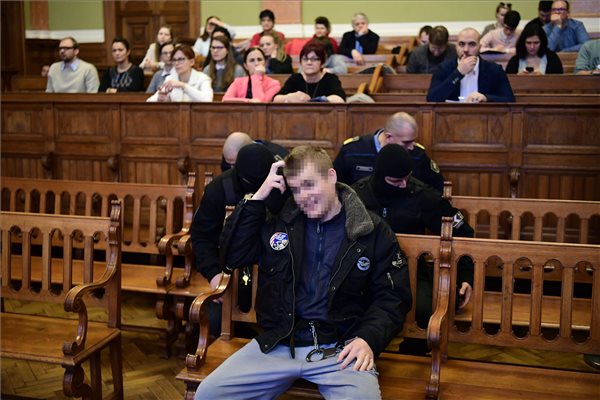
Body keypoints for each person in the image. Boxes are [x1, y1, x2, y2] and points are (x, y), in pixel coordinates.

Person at [194, 145, 412, 399]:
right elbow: (234, 256)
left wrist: (367, 339)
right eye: (296, 189)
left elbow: (393, 296)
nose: (303, 196)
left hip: (340, 349)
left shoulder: (370, 230)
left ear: (331, 176)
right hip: (280, 343)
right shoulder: (282, 223)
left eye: (309, 185)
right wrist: (258, 197)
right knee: (208, 394)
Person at [351, 144, 474, 355]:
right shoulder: (357, 195)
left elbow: (463, 233)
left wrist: (466, 277)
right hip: (366, 271)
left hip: (411, 271)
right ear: (380, 176)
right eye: (395, 181)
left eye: (406, 178)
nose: (403, 185)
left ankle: (410, 355)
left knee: (428, 310)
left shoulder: (421, 194)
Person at [191, 143, 284, 337]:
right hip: (232, 278)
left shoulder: (282, 187)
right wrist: (213, 274)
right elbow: (201, 237)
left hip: (274, 279)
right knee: (211, 320)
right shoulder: (219, 188)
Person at [333, 112, 444, 192]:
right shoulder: (353, 151)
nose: (411, 147)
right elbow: (335, 185)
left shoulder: (418, 155)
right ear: (388, 137)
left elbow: (437, 187)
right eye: (406, 142)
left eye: (413, 141)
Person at [426, 27, 515, 103]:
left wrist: (486, 98)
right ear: (456, 47)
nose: (466, 49)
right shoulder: (443, 69)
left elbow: (509, 99)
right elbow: (431, 99)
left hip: (484, 116)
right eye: (461, 44)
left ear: (479, 47)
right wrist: (458, 73)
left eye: (472, 44)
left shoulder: (494, 70)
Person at [273, 40, 346, 103]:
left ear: (322, 63)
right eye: (305, 59)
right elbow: (276, 99)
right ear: (301, 62)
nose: (309, 62)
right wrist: (289, 98)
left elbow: (340, 99)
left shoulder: (330, 79)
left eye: (314, 59)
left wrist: (320, 100)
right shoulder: (295, 78)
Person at [146, 44, 213, 102]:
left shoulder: (202, 78)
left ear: (191, 62)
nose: (176, 63)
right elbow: (149, 101)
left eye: (181, 59)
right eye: (174, 60)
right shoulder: (170, 79)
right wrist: (160, 99)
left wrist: (183, 86)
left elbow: (208, 99)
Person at [220, 132, 289, 173]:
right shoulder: (230, 158)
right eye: (229, 164)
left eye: (234, 164)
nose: (231, 168)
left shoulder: (277, 158)